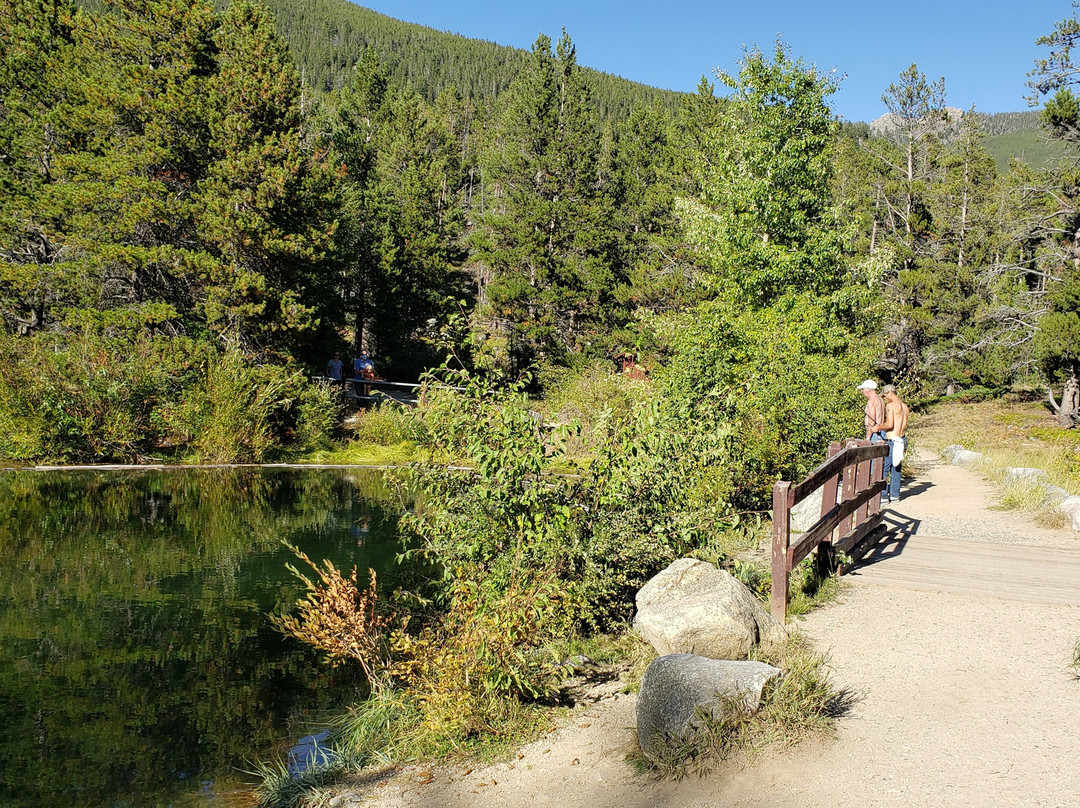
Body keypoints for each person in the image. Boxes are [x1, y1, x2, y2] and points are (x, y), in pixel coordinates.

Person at [872, 384, 910, 504]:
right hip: (902, 439)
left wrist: (878, 427)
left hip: (893, 441)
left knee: (884, 468)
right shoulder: (905, 407)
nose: (885, 398)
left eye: (885, 396)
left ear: (890, 393)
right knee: (897, 468)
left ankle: (883, 495)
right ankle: (894, 495)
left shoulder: (891, 406)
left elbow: (889, 425)